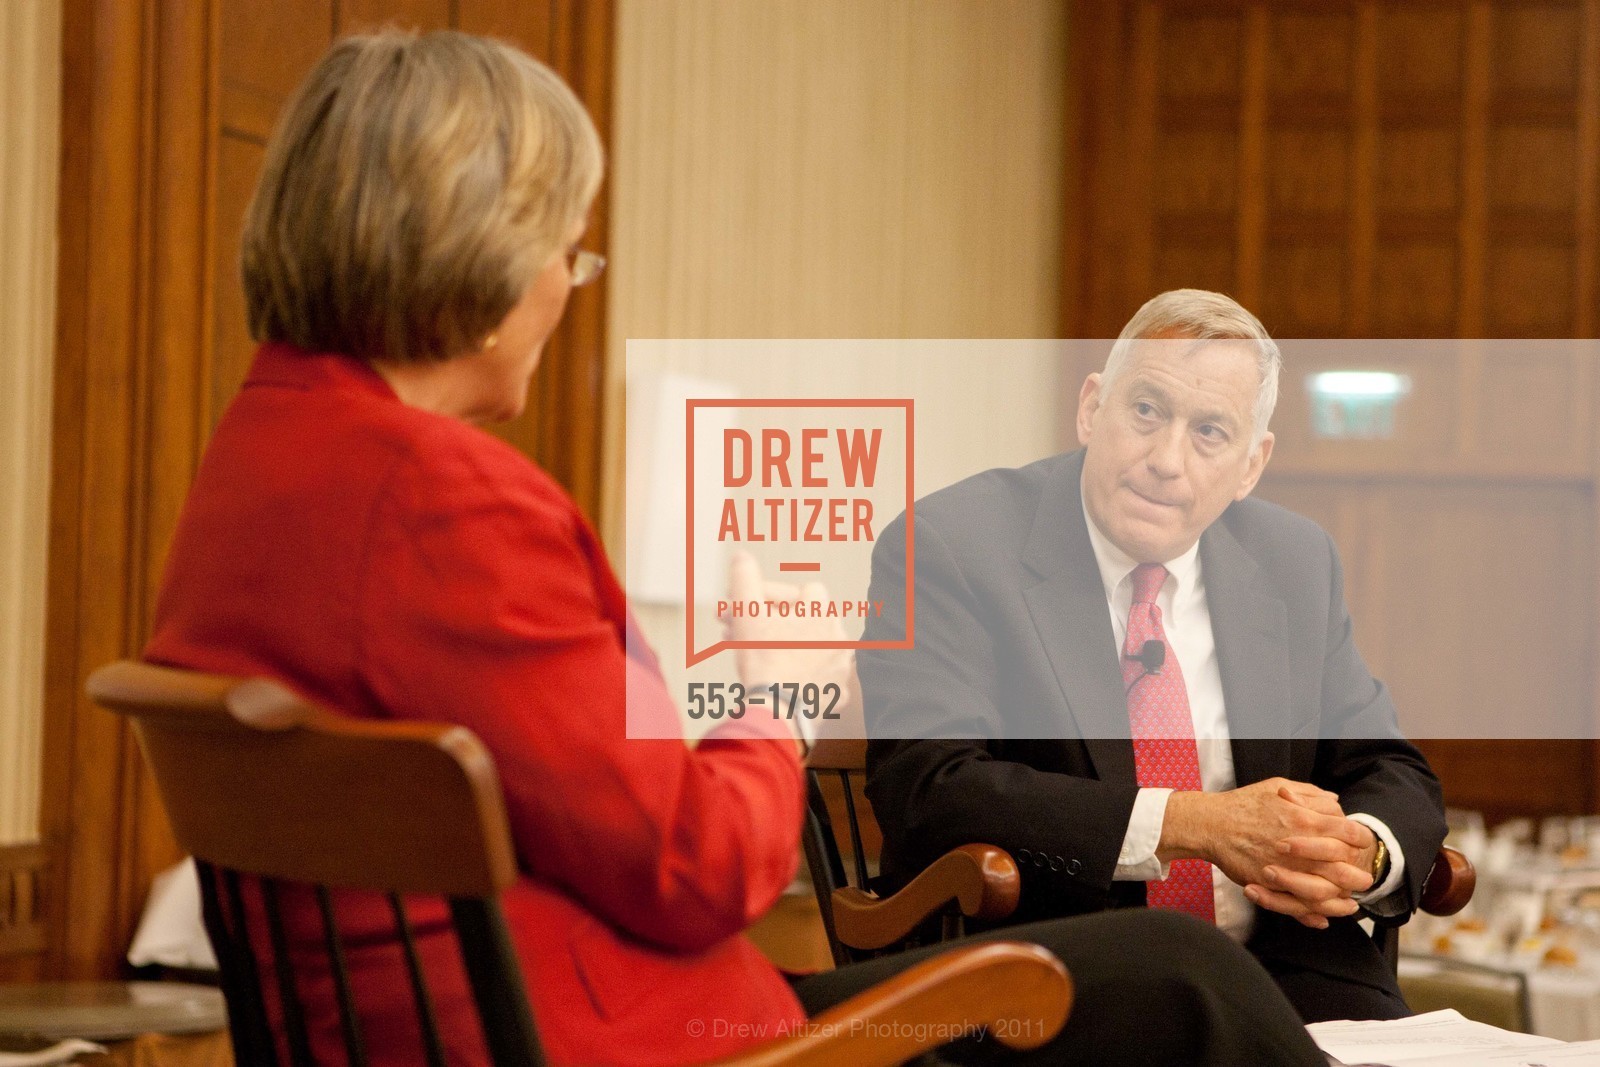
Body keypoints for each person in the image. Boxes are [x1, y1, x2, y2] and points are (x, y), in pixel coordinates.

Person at [144, 33, 1326, 1066]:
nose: (568, 281)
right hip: (643, 1043)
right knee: (1183, 975)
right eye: (566, 248)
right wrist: (777, 693)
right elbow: (703, 866)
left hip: (479, 1025)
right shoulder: (444, 499)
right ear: (480, 252)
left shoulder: (258, 463)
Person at [860, 289, 1448, 1024]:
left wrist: (1361, 854)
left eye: (1209, 431)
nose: (1167, 460)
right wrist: (1197, 823)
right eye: (1145, 411)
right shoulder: (951, 544)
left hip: (1290, 964)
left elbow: (1388, 766)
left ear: (1250, 465)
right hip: (1055, 967)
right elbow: (929, 787)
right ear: (1091, 407)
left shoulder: (1294, 560)